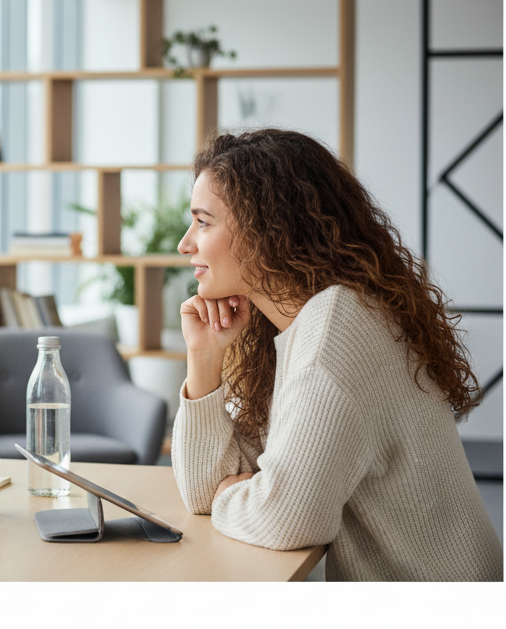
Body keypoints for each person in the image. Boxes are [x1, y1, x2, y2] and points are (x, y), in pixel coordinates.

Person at [170, 128, 501, 581]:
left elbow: (288, 519)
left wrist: (236, 490)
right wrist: (204, 358)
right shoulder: (290, 329)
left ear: (269, 228)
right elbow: (202, 491)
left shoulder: (338, 328)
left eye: (203, 222)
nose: (185, 244)